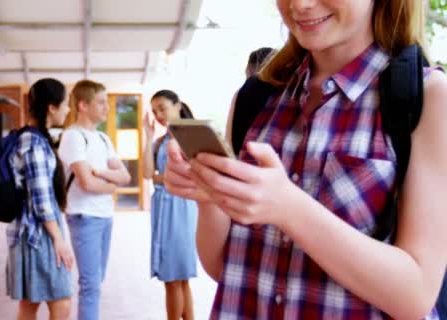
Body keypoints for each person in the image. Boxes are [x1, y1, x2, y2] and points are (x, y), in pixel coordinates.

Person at [164, 1, 447, 319]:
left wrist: (289, 209)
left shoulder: (427, 97)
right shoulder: (255, 99)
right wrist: (210, 198)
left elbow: (416, 295)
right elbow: (228, 271)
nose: (300, 4)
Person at [57, 79, 131, 320]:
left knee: (96, 281)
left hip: (105, 217)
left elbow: (125, 176)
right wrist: (111, 185)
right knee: (90, 286)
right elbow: (85, 183)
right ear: (83, 105)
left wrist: (100, 173)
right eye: (100, 102)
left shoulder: (102, 139)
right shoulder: (73, 136)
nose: (106, 108)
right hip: (84, 217)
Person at [5, 78, 74, 320]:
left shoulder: (30, 138)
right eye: (65, 104)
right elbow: (41, 199)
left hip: (30, 232)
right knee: (61, 300)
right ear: (51, 107)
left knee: (29, 304)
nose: (68, 109)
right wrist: (59, 239)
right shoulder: (34, 143)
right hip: (39, 234)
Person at [143, 90, 198, 320]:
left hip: (180, 207)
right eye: (154, 111)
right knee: (179, 278)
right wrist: (148, 136)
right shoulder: (160, 141)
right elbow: (147, 173)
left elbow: (192, 175)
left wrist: (164, 177)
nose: (158, 115)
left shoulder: (192, 136)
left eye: (162, 108)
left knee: (173, 277)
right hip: (165, 206)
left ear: (178, 105)